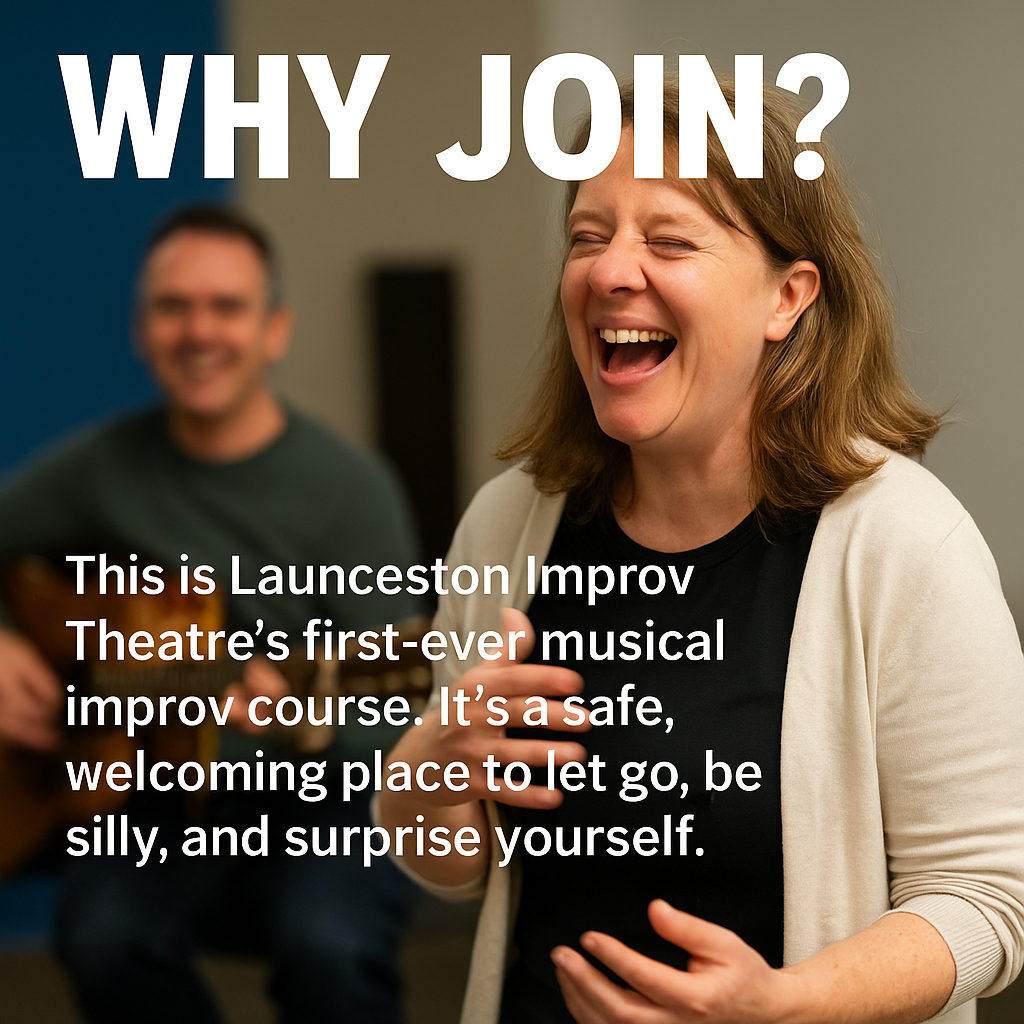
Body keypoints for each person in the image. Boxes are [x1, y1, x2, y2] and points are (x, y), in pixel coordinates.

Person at [378, 80, 1024, 1024]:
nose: (608, 272)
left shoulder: (906, 545)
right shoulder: (512, 522)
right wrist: (419, 788)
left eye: (669, 240)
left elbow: (988, 902)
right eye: (588, 236)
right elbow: (468, 872)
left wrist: (785, 1004)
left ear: (788, 297)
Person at [0, 205, 421, 1023]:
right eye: (173, 307)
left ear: (275, 329)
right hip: (151, 802)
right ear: (140, 330)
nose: (199, 332)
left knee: (327, 947)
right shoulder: (101, 467)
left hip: (325, 807)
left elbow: (401, 717)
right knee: (99, 934)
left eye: (226, 306)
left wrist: (302, 725)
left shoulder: (349, 489)